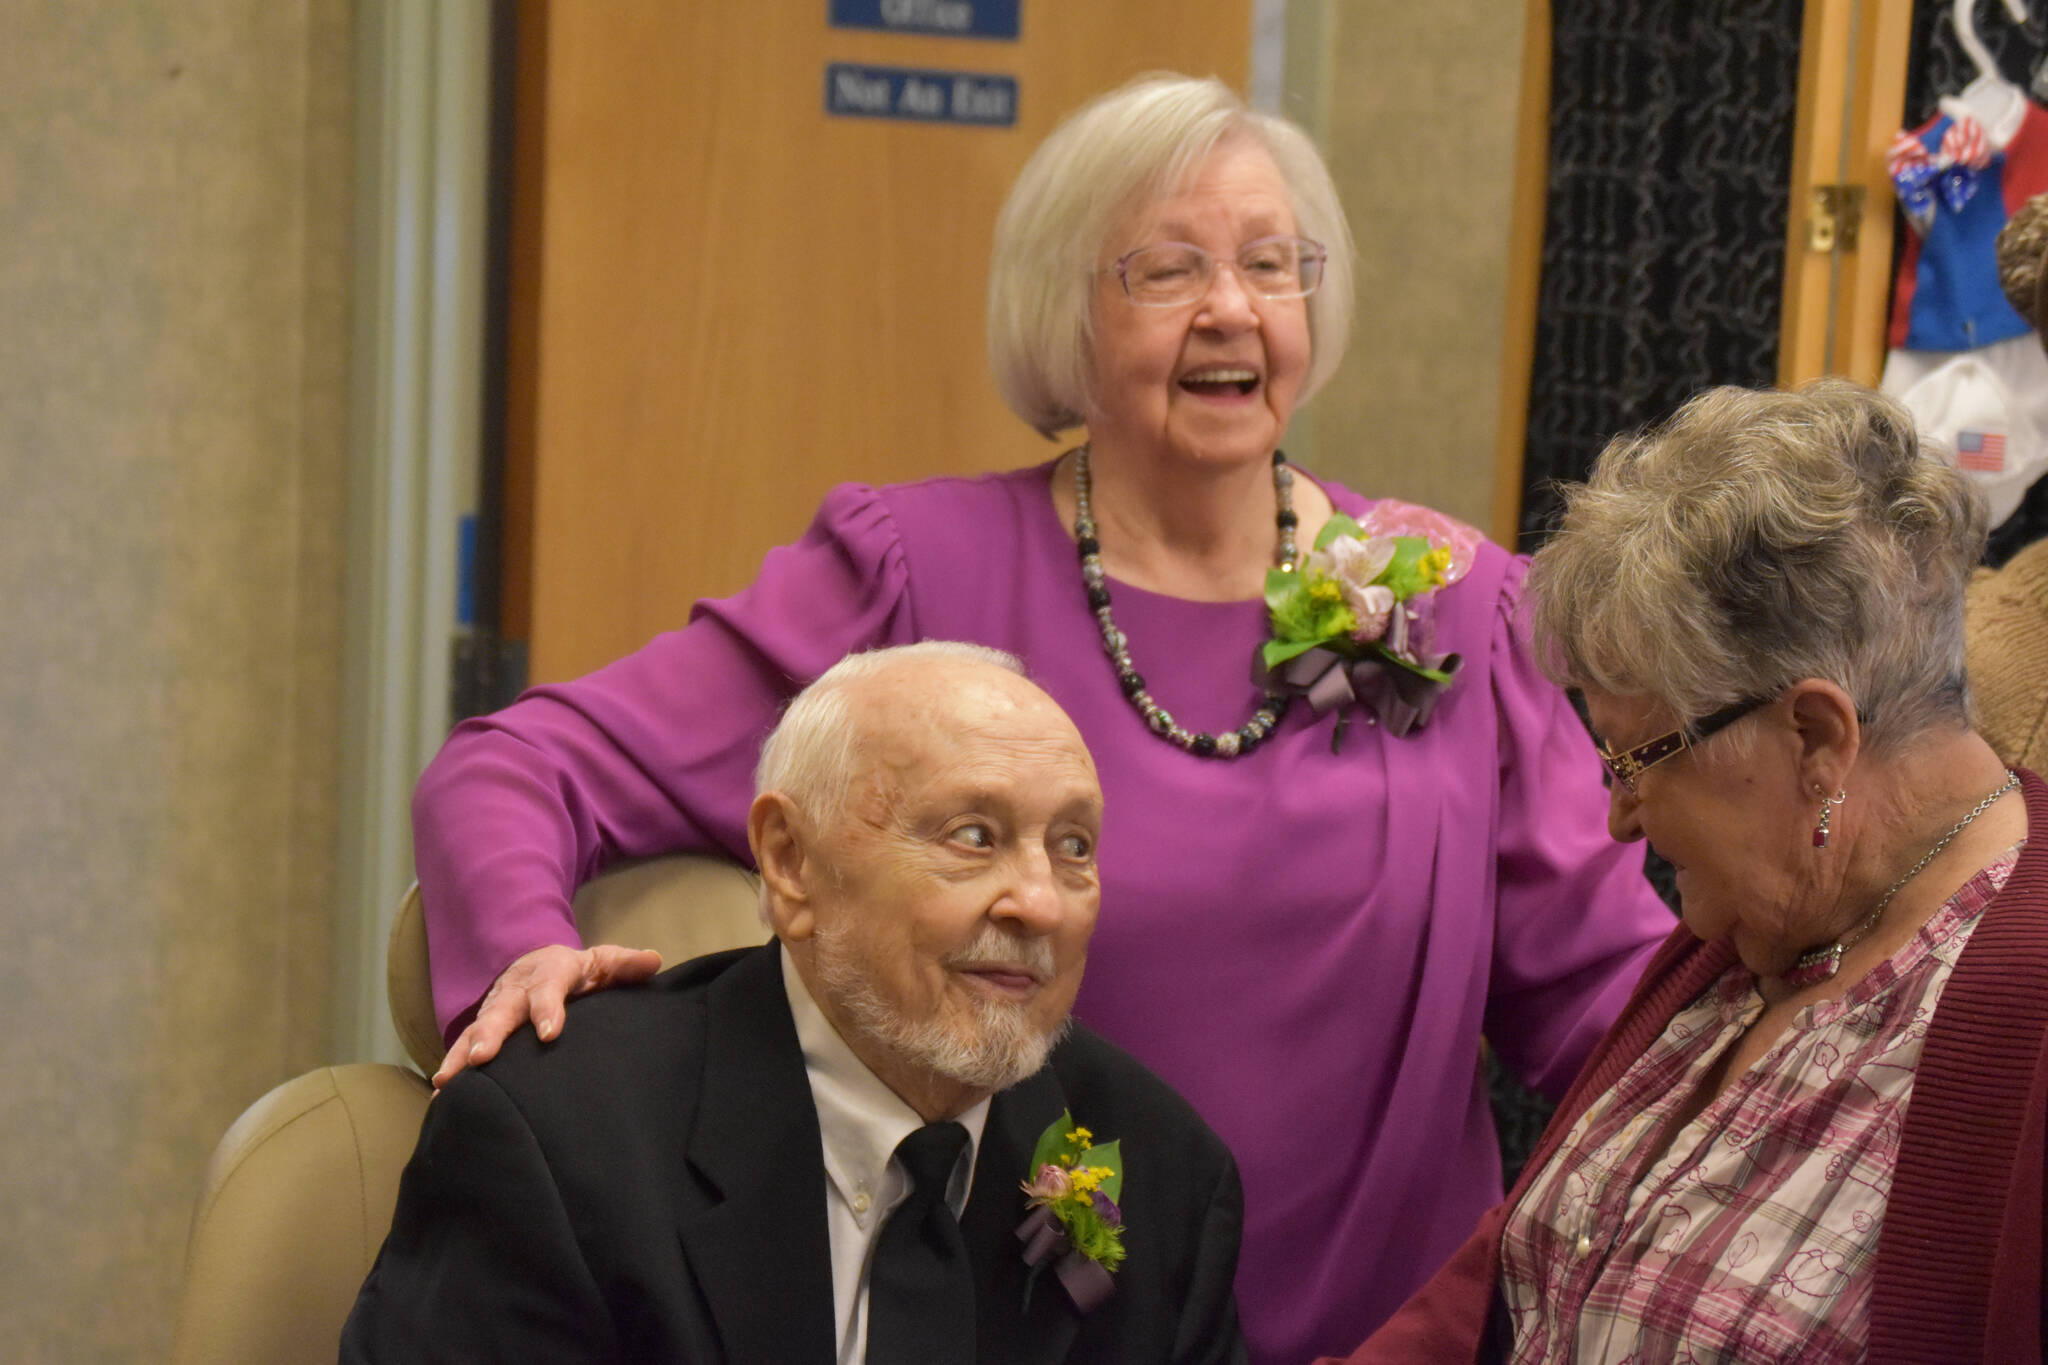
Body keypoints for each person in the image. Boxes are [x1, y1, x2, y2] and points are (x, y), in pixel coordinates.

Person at [409, 72, 1675, 1360]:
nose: (1230, 309)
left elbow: (1618, 1009)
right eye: (1166, 270)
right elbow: (516, 766)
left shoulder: (1454, 608)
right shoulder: (911, 571)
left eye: (1271, 263)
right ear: (1065, 313)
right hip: (1030, 1329)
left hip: (1405, 1340)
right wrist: (522, 957)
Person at [1332, 380, 2047, 1364]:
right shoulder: (1756, 931)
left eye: (1634, 758)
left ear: (1813, 738)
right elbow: (1513, 1285)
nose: (1619, 817)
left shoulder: (2018, 1020)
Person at [344, 644, 1248, 1363]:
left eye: (1073, 846)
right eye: (974, 835)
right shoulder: (561, 1146)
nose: (1040, 902)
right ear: (790, 861)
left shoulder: (1167, 1175)